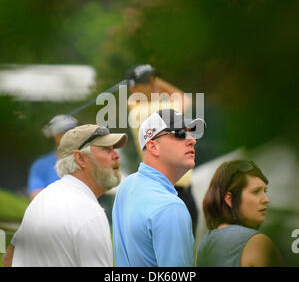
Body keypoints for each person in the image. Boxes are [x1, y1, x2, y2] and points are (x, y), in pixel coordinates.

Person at [3, 124, 127, 267]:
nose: (116, 155)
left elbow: (8, 259)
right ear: (80, 159)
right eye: (106, 149)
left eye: (114, 149)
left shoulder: (42, 199)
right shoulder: (90, 213)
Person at [112, 108, 206, 266]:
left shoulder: (127, 186)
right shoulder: (171, 207)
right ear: (153, 147)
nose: (192, 140)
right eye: (180, 133)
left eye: (191, 133)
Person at [127, 64, 199, 234]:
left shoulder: (149, 107)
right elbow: (184, 99)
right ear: (134, 89)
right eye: (148, 82)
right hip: (169, 191)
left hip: (182, 190)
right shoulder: (143, 112)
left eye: (154, 80)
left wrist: (152, 81)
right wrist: (160, 84)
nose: (154, 86)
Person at [195, 159, 283, 267]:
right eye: (256, 191)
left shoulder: (204, 245)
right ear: (230, 199)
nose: (266, 199)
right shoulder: (258, 243)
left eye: (265, 191)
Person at [28, 114, 79, 199]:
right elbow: (36, 195)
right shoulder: (40, 165)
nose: (72, 134)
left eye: (75, 131)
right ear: (56, 135)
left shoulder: (86, 161)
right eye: (66, 131)